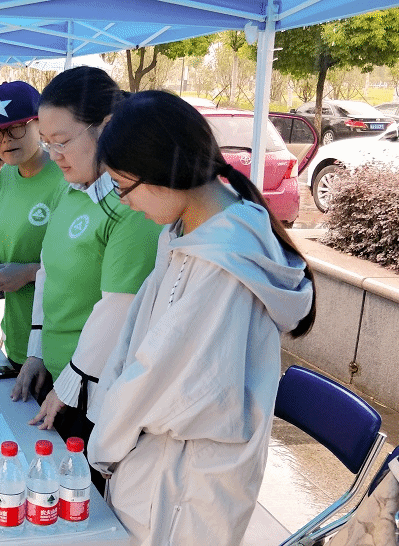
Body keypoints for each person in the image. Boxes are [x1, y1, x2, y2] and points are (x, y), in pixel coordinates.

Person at [86, 90, 317, 545]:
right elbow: (139, 339)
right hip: (159, 457)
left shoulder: (221, 260)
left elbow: (167, 381)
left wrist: (105, 441)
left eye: (122, 186)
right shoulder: (188, 230)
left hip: (185, 475)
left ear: (163, 172)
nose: (124, 202)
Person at [12, 68, 161, 494]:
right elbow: (48, 272)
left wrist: (69, 386)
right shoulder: (71, 187)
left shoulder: (132, 204)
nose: (54, 155)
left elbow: (119, 307)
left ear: (107, 127)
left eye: (62, 141)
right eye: (47, 143)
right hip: (59, 378)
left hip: (95, 391)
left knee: (83, 503)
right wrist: (36, 353)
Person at [0, 81, 67, 368]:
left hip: (56, 346)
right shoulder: (8, 175)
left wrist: (27, 273)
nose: (5, 141)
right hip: (17, 336)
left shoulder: (66, 177)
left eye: (16, 128)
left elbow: (84, 264)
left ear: (40, 124)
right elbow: (16, 245)